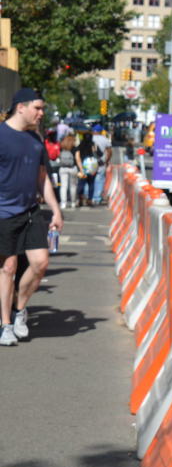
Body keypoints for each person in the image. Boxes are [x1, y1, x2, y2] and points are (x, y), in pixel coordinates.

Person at [1, 88, 63, 346]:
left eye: (42, 109)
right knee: (8, 268)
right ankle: (5, 325)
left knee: (40, 263)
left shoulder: (36, 140)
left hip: (30, 212)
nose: (41, 113)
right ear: (21, 108)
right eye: (37, 108)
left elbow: (42, 179)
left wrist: (56, 210)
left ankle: (19, 311)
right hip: (3, 213)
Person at [75, 130, 101, 207]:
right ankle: (90, 199)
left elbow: (77, 156)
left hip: (83, 166)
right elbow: (100, 154)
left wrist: (80, 168)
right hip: (92, 166)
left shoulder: (80, 145)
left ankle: (80, 198)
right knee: (91, 183)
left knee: (81, 183)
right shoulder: (93, 145)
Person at [91, 124, 112, 205]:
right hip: (101, 162)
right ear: (100, 131)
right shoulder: (105, 139)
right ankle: (97, 198)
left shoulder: (90, 138)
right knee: (99, 180)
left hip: (90, 163)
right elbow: (109, 152)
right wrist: (107, 161)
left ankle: (89, 196)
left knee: (90, 180)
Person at [57, 132, 78, 210]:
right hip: (72, 168)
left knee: (63, 186)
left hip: (63, 168)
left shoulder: (62, 146)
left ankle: (63, 203)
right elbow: (77, 158)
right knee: (73, 186)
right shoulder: (74, 147)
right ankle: (73, 202)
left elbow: (59, 155)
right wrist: (81, 169)